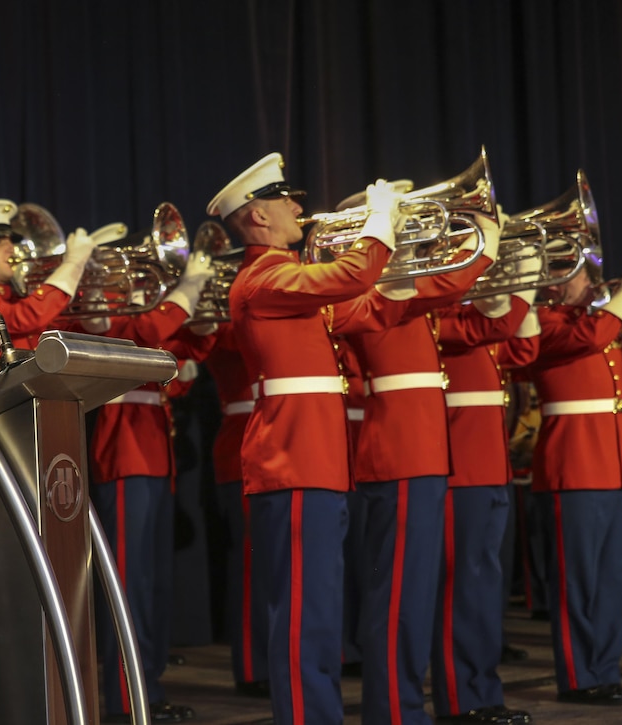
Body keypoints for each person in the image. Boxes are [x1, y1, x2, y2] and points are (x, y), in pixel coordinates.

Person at [208, 152, 411, 724]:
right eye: (284, 200)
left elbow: (367, 307)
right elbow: (351, 275)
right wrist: (377, 222)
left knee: (319, 612)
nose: (299, 206)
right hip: (293, 462)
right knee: (302, 617)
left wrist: (419, 261)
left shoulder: (288, 283)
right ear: (256, 219)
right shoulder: (264, 278)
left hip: (317, 462)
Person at [343, 211, 500, 725]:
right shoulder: (375, 293)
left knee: (415, 596)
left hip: (424, 456)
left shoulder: (407, 295)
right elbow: (442, 284)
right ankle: (395, 712)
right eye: (400, 229)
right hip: (401, 454)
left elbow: (477, 315)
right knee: (398, 600)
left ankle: (405, 707)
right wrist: (485, 251)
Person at [526, 250, 622, 706]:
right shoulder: (545, 323)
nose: (570, 284)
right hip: (572, 467)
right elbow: (591, 336)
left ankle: (605, 671)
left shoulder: (603, 329)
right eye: (561, 274)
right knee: (579, 580)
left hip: (609, 469)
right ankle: (578, 677)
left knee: (610, 580)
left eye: (578, 276)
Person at [83, 252, 216, 723]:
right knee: (130, 584)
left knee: (155, 584)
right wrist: (185, 293)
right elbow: (144, 335)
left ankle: (149, 687)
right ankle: (126, 698)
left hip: (154, 454)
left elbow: (184, 350)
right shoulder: (104, 314)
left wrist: (200, 318)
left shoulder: (143, 315)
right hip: (123, 454)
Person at [429, 283, 541, 725]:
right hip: (462, 470)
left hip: (490, 469)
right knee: (463, 591)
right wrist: (513, 293)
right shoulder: (446, 318)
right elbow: (490, 329)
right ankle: (461, 699)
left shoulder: (474, 320)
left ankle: (482, 691)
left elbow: (525, 350)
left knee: (483, 591)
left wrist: (525, 290)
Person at [0, 199, 97, 371]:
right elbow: (26, 317)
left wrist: (93, 293)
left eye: (10, 241)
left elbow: (67, 333)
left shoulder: (11, 297)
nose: (11, 248)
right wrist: (73, 263)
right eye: (0, 242)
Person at [203, 324, 270, 697]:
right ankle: (251, 666)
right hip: (241, 454)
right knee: (249, 568)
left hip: (270, 452)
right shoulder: (232, 328)